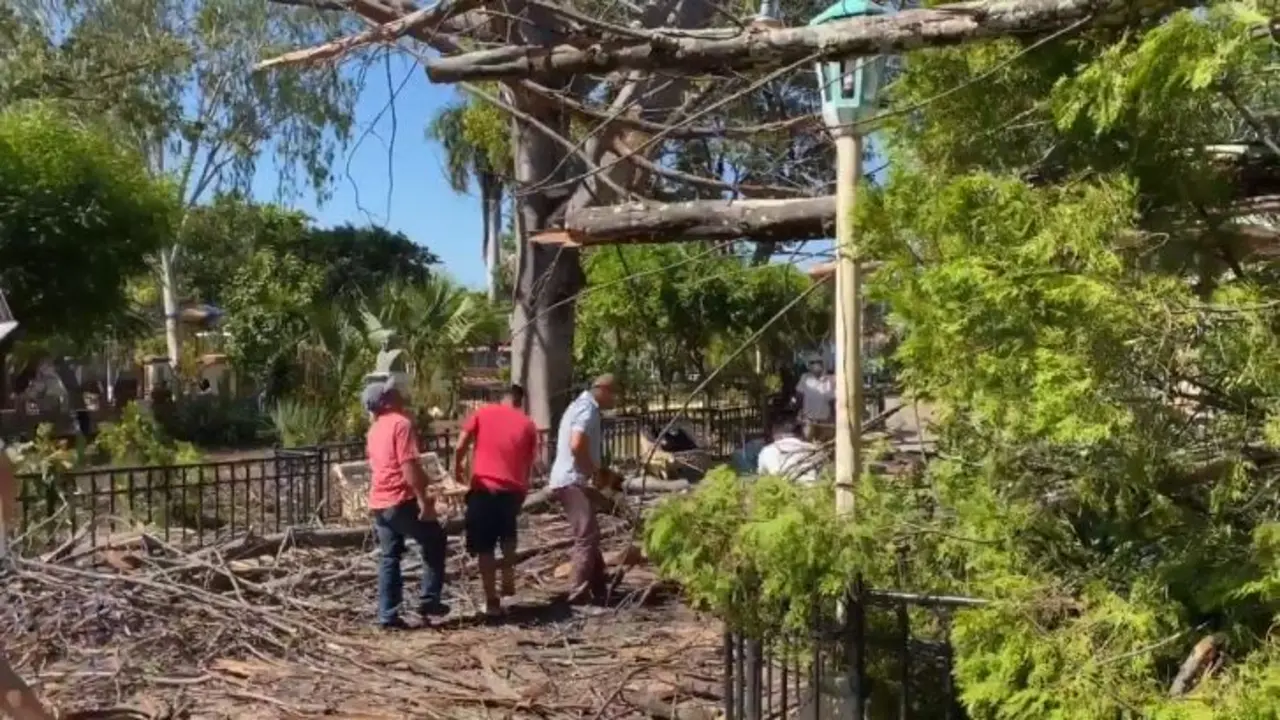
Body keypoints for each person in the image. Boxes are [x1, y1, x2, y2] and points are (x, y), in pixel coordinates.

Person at [363, 377, 448, 629]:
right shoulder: (401, 424)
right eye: (393, 392)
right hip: (399, 499)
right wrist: (425, 502)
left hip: (380, 502)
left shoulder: (374, 429)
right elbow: (408, 467)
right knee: (435, 539)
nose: (400, 394)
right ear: (387, 401)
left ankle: (387, 614)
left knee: (389, 556)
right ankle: (430, 600)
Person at [453, 384, 539, 618]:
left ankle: (492, 601)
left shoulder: (483, 413)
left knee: (485, 548)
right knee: (508, 536)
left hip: (484, 488)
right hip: (512, 491)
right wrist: (523, 490)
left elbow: (460, 445)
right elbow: (529, 464)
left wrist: (457, 471)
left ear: (501, 399)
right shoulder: (528, 424)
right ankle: (508, 576)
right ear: (520, 402)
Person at [549, 374, 615, 604]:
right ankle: (577, 592)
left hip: (573, 478)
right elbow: (576, 444)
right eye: (615, 394)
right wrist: (593, 472)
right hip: (572, 479)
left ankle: (599, 585)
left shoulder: (580, 405)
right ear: (604, 389)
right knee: (586, 534)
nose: (616, 400)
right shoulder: (587, 408)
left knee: (590, 531)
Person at [757, 415, 821, 483]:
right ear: (800, 433)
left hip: (778, 488)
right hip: (813, 488)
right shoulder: (815, 450)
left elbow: (762, 477)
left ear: (775, 433)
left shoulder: (767, 451)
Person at [794, 357, 835, 443]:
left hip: (824, 421)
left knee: (824, 444)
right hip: (809, 420)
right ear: (809, 366)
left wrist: (833, 419)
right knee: (807, 443)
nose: (815, 365)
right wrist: (798, 412)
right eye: (812, 362)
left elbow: (832, 400)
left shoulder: (828, 380)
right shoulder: (805, 378)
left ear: (822, 365)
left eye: (818, 362)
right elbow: (799, 395)